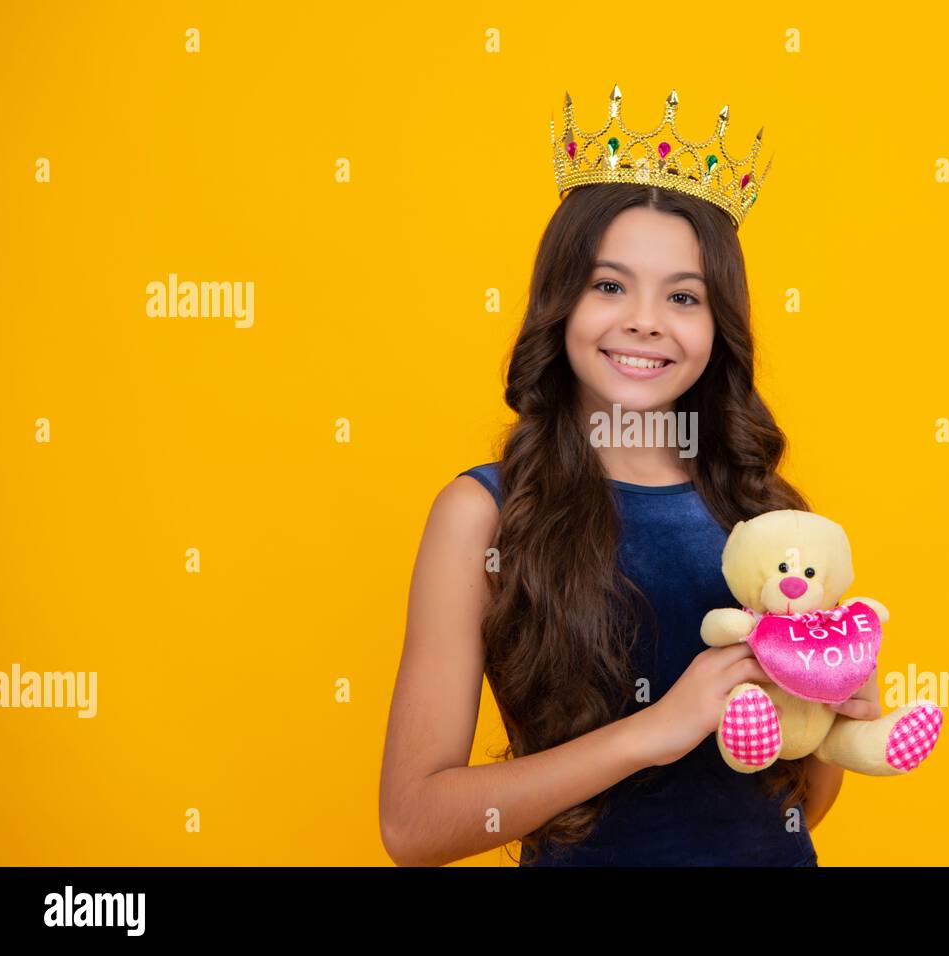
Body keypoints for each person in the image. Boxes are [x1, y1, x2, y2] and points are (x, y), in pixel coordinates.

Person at [378, 88, 881, 866]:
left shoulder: (763, 516)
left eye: (683, 296)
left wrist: (837, 715)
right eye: (610, 285)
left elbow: (795, 811)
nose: (646, 319)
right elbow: (412, 827)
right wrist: (654, 731)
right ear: (561, 302)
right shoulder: (483, 515)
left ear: (719, 328)